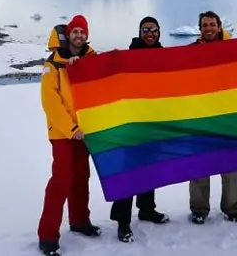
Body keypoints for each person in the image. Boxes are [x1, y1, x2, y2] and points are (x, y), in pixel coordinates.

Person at [37, 15, 101, 256]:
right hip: (63, 132)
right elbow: (50, 103)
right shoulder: (52, 64)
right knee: (61, 179)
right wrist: (70, 129)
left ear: (86, 36)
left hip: (83, 130)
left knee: (81, 176)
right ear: (68, 35)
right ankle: (47, 235)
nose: (79, 36)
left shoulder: (90, 60)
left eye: (82, 32)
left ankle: (79, 221)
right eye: (75, 31)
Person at [109, 16, 170, 242]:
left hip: (153, 123)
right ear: (140, 32)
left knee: (149, 169)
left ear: (159, 32)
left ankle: (146, 209)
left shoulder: (164, 56)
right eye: (146, 30)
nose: (150, 33)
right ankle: (123, 221)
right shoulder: (128, 56)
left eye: (154, 30)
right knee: (130, 171)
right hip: (132, 123)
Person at [188, 10, 237, 224]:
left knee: (230, 167)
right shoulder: (192, 51)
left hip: (228, 118)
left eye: (212, 24)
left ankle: (231, 208)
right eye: (204, 25)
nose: (208, 28)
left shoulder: (232, 49)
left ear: (219, 26)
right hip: (200, 117)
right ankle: (199, 209)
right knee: (200, 166)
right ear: (200, 28)